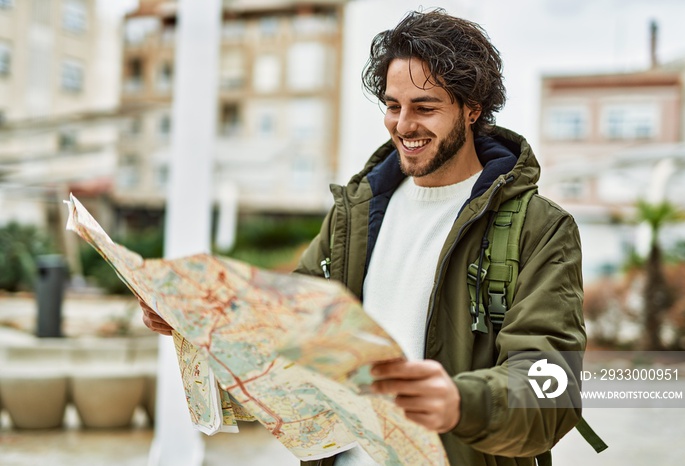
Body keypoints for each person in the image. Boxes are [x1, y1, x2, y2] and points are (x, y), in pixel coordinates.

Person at [142, 8, 586, 466]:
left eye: (425, 107)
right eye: (393, 106)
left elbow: (552, 386)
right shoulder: (353, 216)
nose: (403, 124)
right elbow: (285, 340)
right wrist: (197, 323)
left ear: (472, 109)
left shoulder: (540, 229)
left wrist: (461, 402)